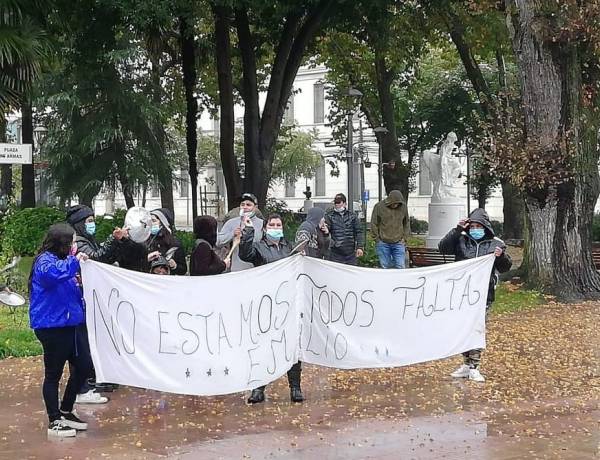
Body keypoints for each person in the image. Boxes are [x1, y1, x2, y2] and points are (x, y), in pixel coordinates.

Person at [29, 223, 92, 437]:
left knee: (84, 366)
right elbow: (53, 276)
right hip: (52, 327)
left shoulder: (64, 261)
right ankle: (54, 419)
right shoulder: (44, 262)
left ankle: (66, 410)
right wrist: (76, 262)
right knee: (53, 373)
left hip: (71, 324)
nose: (74, 246)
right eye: (72, 242)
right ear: (63, 243)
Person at [438, 208, 512, 382]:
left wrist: (500, 257)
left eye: (478, 226)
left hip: (484, 295)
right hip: (463, 294)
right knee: (464, 329)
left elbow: (505, 267)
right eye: (472, 226)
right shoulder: (461, 240)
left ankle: (474, 366)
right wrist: (457, 229)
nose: (475, 229)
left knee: (476, 330)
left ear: (485, 227)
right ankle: (465, 363)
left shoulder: (496, 244)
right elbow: (443, 247)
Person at [238, 213, 304, 404]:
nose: (276, 227)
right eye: (272, 224)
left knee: (292, 345)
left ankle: (295, 387)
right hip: (266, 304)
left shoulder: (289, 247)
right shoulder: (259, 247)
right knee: (264, 346)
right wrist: (248, 231)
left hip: (288, 303)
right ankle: (258, 388)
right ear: (265, 228)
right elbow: (245, 253)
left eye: (278, 224)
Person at [67, 204, 128, 402]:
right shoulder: (80, 244)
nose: (92, 225)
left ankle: (88, 381)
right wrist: (113, 240)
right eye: (89, 221)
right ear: (79, 224)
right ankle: (82, 386)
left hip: (88, 300)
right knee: (82, 345)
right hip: (81, 301)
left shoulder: (87, 240)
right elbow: (97, 258)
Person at [217, 193, 264, 272]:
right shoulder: (231, 222)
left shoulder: (262, 224)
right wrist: (232, 234)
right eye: (242, 204)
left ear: (255, 207)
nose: (245, 207)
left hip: (257, 269)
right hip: (237, 269)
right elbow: (218, 242)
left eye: (248, 205)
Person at [370, 190, 411, 269]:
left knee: (400, 266)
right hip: (383, 242)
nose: (395, 205)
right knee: (384, 267)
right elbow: (374, 223)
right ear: (389, 201)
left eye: (397, 203)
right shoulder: (379, 206)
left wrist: (404, 238)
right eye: (394, 203)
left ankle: (400, 281)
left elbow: (406, 223)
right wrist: (377, 239)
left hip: (399, 242)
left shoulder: (403, 207)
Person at [324, 193, 364, 265]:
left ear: (345, 204)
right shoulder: (329, 216)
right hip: (335, 253)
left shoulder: (352, 216)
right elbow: (326, 231)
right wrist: (327, 231)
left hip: (350, 253)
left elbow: (359, 232)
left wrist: (360, 247)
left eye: (339, 202)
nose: (337, 204)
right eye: (335, 202)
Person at [146, 208, 187, 275]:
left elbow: (183, 270)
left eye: (154, 221)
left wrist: (174, 266)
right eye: (149, 221)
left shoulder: (175, 243)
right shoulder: (145, 241)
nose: (151, 224)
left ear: (163, 224)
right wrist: (147, 259)